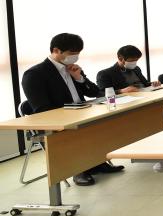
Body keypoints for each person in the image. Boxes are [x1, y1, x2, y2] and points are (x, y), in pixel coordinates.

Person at [21, 33, 121, 186]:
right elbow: (42, 109)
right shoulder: (35, 74)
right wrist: (73, 111)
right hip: (56, 122)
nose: (75, 57)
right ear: (56, 50)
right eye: (72, 53)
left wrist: (78, 78)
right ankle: (77, 170)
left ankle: (97, 162)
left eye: (78, 53)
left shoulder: (71, 68)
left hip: (81, 113)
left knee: (103, 124)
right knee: (80, 130)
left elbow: (94, 91)